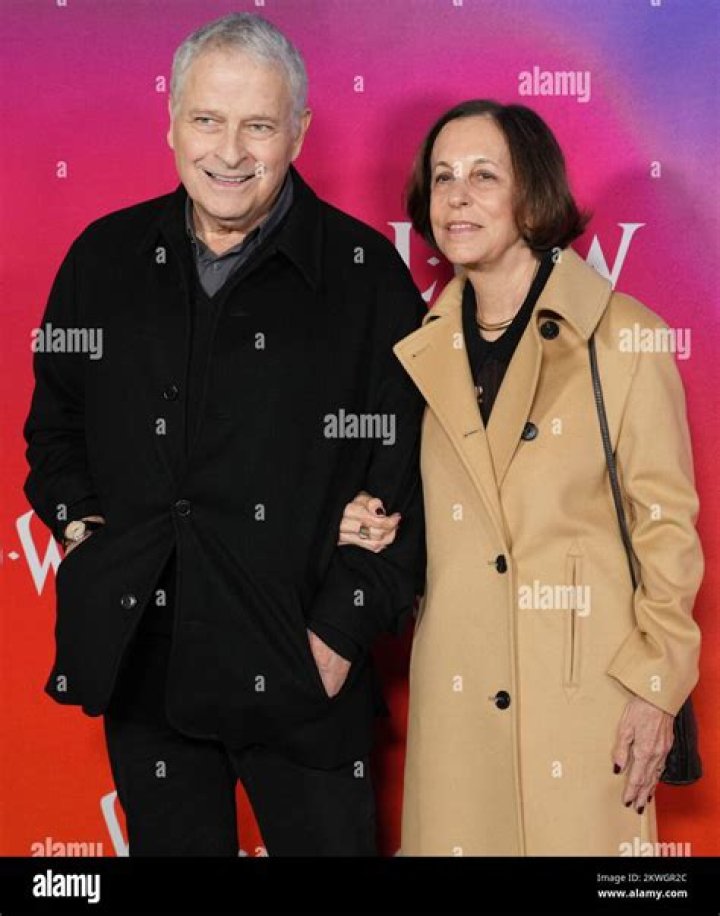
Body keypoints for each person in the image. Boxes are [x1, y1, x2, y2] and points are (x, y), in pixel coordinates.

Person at [22, 13, 425, 856]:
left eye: (259, 125)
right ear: (172, 122)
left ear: (299, 132)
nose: (230, 152)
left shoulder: (365, 278)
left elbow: (406, 470)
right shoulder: (103, 259)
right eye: (207, 119)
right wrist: (85, 533)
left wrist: (336, 637)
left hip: (301, 664)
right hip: (146, 661)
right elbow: (55, 426)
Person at [337, 100, 703, 856]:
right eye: (443, 178)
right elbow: (416, 510)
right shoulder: (417, 352)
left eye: (483, 176)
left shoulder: (623, 338)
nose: (457, 196)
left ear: (532, 194)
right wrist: (368, 520)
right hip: (458, 703)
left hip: (588, 702)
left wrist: (656, 688)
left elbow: (667, 529)